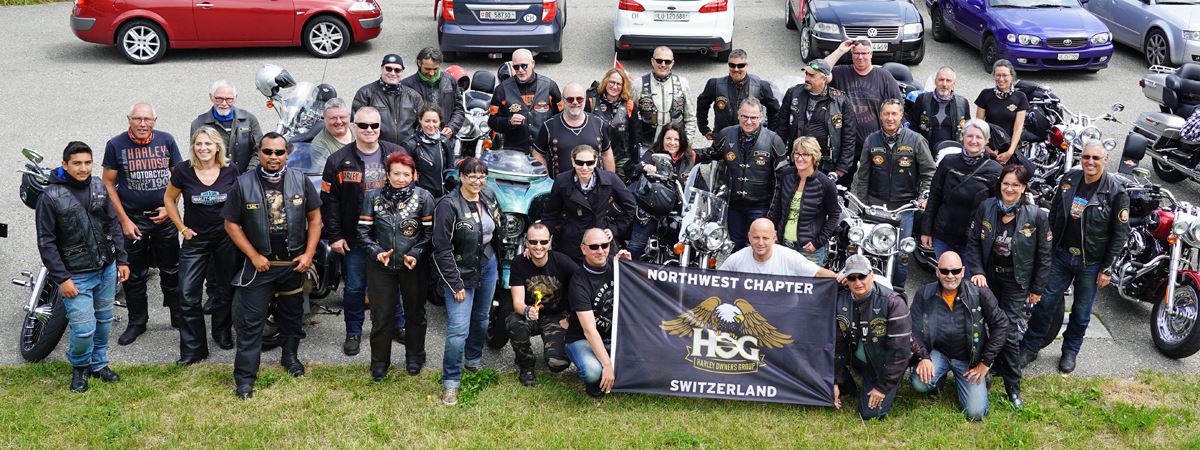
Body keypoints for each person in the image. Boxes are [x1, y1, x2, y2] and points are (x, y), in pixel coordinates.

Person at [223, 133, 323, 399]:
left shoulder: (300, 179)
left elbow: (315, 219)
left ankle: (290, 358)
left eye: (279, 152)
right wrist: (253, 255)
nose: (273, 157)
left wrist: (308, 254)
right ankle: (245, 378)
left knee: (292, 317)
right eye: (268, 151)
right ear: (259, 153)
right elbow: (231, 224)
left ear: (287, 154)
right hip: (259, 267)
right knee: (250, 324)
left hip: (293, 264)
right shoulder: (242, 183)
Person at [1020, 140, 1129, 374]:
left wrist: (1107, 269)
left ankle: (1070, 351)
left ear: (1106, 160)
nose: (1090, 162)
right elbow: (1054, 215)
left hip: (1091, 263)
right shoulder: (1069, 179)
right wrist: (1046, 250)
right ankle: (1029, 347)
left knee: (1081, 311)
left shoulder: (1116, 192)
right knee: (1044, 304)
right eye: (1086, 157)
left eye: (1096, 158)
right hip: (1060, 255)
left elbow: (1119, 235)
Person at [36, 141, 130, 392]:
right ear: (65, 164)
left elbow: (113, 223)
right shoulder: (49, 196)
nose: (83, 168)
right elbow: (46, 242)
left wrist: (122, 259)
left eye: (88, 162)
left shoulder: (99, 185)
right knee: (83, 329)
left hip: (106, 269)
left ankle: (99, 364)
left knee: (104, 321)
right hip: (75, 276)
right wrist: (62, 278)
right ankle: (80, 367)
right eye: (77, 163)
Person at [965, 164, 1052, 408]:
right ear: (1000, 184)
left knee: (1010, 333)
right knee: (983, 325)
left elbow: (1044, 256)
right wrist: (978, 271)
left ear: (1023, 188)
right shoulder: (986, 207)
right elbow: (973, 242)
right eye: (1006, 183)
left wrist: (1037, 289)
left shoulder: (1036, 215)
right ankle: (987, 370)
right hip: (989, 278)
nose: (1010, 189)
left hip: (1017, 281)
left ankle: (1013, 387)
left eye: (1016, 184)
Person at [321, 106, 403, 357]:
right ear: (354, 126)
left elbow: (409, 192)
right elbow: (329, 201)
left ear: (380, 127)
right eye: (363, 125)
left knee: (393, 284)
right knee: (355, 288)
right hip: (354, 237)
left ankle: (398, 325)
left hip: (388, 235)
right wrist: (335, 236)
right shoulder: (337, 160)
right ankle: (353, 332)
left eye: (374, 125)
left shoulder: (396, 154)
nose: (369, 130)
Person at [102, 102, 183, 346]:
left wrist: (170, 207)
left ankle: (178, 316)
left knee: (172, 269)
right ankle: (137, 321)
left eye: (147, 119)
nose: (142, 124)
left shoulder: (167, 140)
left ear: (155, 121)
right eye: (137, 119)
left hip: (163, 217)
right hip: (133, 219)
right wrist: (124, 220)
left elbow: (179, 177)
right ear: (129, 119)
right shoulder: (115, 145)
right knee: (134, 274)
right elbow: (108, 183)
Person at [357, 151, 436, 380]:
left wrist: (415, 254)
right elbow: (363, 232)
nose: (401, 179)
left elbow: (429, 234)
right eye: (396, 174)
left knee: (415, 314)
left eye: (406, 174)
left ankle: (415, 357)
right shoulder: (373, 197)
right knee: (381, 316)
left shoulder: (424, 197)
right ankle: (379, 362)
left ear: (414, 175)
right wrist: (377, 252)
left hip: (413, 266)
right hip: (380, 267)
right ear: (387, 175)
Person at [164, 127, 240, 364]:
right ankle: (194, 349)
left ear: (217, 147)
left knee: (224, 289)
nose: (203, 148)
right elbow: (169, 199)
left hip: (225, 239)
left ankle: (222, 332)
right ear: (193, 147)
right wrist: (181, 228)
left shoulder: (230, 169)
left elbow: (240, 200)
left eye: (208, 144)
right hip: (195, 240)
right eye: (199, 144)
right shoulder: (183, 170)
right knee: (187, 295)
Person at [432, 157, 503, 406]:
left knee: (482, 319)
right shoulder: (448, 205)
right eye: (472, 176)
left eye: (482, 176)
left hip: (488, 264)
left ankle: (473, 361)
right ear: (461, 177)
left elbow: (497, 230)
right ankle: (451, 382)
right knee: (458, 330)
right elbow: (441, 249)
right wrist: (455, 284)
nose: (477, 181)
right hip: (460, 272)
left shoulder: (489, 195)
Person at [909, 251, 1010, 421]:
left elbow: (1001, 324)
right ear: (937, 271)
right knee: (919, 383)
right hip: (939, 353)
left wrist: (985, 362)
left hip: (969, 360)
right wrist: (923, 357)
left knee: (976, 413)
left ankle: (981, 378)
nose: (950, 276)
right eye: (944, 271)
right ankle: (938, 378)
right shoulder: (924, 294)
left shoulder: (979, 293)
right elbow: (912, 328)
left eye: (955, 271)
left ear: (963, 271)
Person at [850, 99, 934, 291]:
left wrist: (923, 195)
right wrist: (862, 205)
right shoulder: (871, 140)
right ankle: (865, 289)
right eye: (886, 113)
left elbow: (929, 171)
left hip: (904, 208)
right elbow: (863, 175)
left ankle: (898, 292)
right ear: (880, 116)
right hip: (875, 205)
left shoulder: (916, 140)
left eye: (894, 114)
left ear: (901, 115)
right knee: (866, 248)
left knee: (901, 255)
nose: (890, 118)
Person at [700, 98, 789, 251]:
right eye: (745, 116)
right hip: (734, 205)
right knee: (735, 245)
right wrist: (686, 153)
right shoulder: (726, 134)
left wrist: (773, 213)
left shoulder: (774, 140)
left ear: (761, 118)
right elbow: (710, 153)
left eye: (753, 117)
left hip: (761, 206)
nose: (748, 121)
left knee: (759, 247)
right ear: (738, 115)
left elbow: (782, 179)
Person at [832, 254, 912, 420]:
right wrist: (834, 381)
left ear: (872, 275)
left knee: (869, 414)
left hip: (884, 364)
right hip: (859, 358)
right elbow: (837, 344)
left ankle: (888, 384)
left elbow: (900, 353)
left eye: (862, 276)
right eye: (852, 278)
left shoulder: (893, 302)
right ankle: (847, 385)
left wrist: (882, 388)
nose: (857, 282)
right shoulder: (840, 299)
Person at [920, 119, 1003, 262]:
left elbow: (997, 209)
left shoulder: (995, 170)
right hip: (943, 236)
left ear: (986, 141)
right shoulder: (948, 161)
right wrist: (926, 230)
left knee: (969, 276)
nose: (973, 141)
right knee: (947, 274)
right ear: (963, 137)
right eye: (969, 136)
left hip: (973, 241)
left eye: (979, 137)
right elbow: (934, 197)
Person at [824, 38, 903, 186]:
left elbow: (898, 109)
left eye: (864, 53)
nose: (860, 57)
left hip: (876, 143)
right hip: (846, 145)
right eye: (856, 53)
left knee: (877, 186)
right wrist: (840, 50)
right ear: (851, 54)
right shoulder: (841, 72)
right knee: (840, 187)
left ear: (871, 54)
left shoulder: (884, 77)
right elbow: (819, 71)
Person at [506, 223, 577, 386]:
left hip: (557, 317)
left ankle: (553, 350)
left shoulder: (563, 261)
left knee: (557, 364)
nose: (538, 247)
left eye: (543, 242)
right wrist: (526, 310)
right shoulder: (518, 263)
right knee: (514, 322)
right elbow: (517, 302)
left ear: (550, 241)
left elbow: (583, 286)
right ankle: (526, 365)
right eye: (533, 242)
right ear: (526, 242)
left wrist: (571, 318)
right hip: (531, 316)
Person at [565, 228, 633, 398]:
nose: (600, 251)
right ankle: (596, 380)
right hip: (583, 339)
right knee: (592, 371)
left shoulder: (617, 265)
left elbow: (640, 295)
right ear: (583, 249)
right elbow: (589, 331)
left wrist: (630, 268)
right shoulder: (578, 282)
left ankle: (610, 367)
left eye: (605, 245)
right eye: (594, 246)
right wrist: (607, 365)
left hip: (614, 337)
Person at [541, 145, 637, 264]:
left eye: (589, 163)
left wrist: (615, 229)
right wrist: (540, 241)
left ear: (596, 161)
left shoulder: (610, 179)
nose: (584, 167)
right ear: (573, 161)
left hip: (599, 240)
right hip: (570, 242)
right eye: (580, 163)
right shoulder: (562, 181)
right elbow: (550, 214)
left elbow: (630, 205)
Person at [766, 137, 841, 265]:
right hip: (783, 244)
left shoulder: (826, 184)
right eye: (797, 153)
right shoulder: (786, 175)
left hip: (809, 250)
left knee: (809, 279)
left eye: (805, 154)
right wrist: (773, 230)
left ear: (814, 157)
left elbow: (834, 214)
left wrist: (819, 242)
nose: (800, 158)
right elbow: (777, 206)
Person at [777, 59, 856, 179]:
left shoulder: (840, 100)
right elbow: (782, 127)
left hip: (825, 164)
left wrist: (842, 166)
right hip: (797, 161)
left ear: (824, 78)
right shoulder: (793, 93)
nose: (806, 78)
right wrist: (780, 157)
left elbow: (849, 136)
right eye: (806, 74)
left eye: (812, 75)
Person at [488, 48, 562, 152]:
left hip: (544, 150)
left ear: (533, 63)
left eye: (524, 66)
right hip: (514, 152)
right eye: (516, 67)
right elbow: (492, 121)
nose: (520, 70)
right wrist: (509, 121)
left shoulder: (550, 86)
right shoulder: (502, 89)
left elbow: (562, 117)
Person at [697, 49, 780, 139]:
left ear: (747, 66)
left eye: (740, 65)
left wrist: (769, 135)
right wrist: (704, 129)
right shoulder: (715, 85)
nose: (736, 69)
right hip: (723, 139)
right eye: (732, 65)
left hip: (752, 140)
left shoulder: (760, 86)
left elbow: (775, 111)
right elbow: (702, 105)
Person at [534, 82, 616, 175]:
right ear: (563, 100)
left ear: (585, 99)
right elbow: (538, 154)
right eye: (570, 99)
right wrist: (547, 180)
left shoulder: (598, 123)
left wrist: (609, 180)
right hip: (560, 183)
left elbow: (606, 154)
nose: (575, 102)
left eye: (579, 99)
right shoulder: (549, 125)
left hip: (594, 183)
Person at [718, 218, 837, 278]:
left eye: (765, 238)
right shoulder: (737, 258)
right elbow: (716, 281)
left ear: (774, 237)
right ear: (749, 237)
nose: (760, 243)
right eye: (756, 237)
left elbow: (818, 273)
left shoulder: (789, 257)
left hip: (784, 313)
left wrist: (839, 278)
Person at [632, 46, 702, 147]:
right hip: (646, 145)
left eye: (667, 62)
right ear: (652, 61)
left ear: (672, 63)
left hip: (674, 146)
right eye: (659, 61)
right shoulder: (638, 85)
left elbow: (690, 118)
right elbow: (630, 118)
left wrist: (686, 144)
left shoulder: (683, 84)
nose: (663, 65)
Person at [190, 80, 263, 172]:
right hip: (214, 178)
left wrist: (249, 174)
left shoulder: (249, 120)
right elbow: (196, 154)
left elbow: (260, 150)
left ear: (235, 98)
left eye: (229, 99)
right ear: (211, 97)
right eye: (219, 99)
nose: (224, 103)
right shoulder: (198, 124)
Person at [353, 53, 424, 145]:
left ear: (402, 72)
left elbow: (422, 124)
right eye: (388, 69)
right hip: (377, 148)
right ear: (382, 69)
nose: (393, 73)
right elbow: (356, 125)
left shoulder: (414, 96)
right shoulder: (365, 93)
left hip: (407, 149)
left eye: (397, 70)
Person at [586, 67, 642, 182]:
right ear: (606, 82)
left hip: (622, 160)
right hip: (597, 158)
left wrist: (635, 162)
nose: (614, 86)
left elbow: (636, 136)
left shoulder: (629, 105)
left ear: (623, 86)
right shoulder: (592, 103)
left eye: (619, 84)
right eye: (612, 82)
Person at [401, 47, 465, 139]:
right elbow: (403, 117)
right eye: (427, 69)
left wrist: (452, 127)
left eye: (435, 69)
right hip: (417, 140)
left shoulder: (450, 81)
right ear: (419, 63)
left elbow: (458, 109)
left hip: (445, 138)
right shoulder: (406, 85)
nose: (431, 73)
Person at [975, 59, 1028, 165]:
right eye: (998, 75)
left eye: (1005, 75)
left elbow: (1018, 128)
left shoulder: (1020, 97)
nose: (1001, 79)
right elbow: (979, 125)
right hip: (989, 147)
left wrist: (1010, 152)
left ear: (1011, 76)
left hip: (1010, 148)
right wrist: (985, 147)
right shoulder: (985, 94)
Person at [399, 104, 455, 199]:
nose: (431, 125)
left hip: (442, 195)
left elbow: (450, 169)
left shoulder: (444, 141)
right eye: (427, 121)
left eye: (435, 121)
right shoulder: (410, 144)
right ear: (420, 120)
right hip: (419, 197)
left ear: (440, 122)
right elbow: (402, 173)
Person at [909, 67, 972, 150]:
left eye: (948, 80)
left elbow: (967, 131)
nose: (944, 84)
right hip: (925, 150)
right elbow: (913, 127)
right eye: (941, 80)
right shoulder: (922, 99)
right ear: (935, 81)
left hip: (952, 153)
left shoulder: (963, 103)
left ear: (953, 83)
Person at [309, 98, 354, 172]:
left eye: (342, 117)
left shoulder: (360, 129)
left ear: (349, 117)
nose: (339, 121)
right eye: (333, 118)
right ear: (324, 119)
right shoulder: (319, 145)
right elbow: (325, 175)